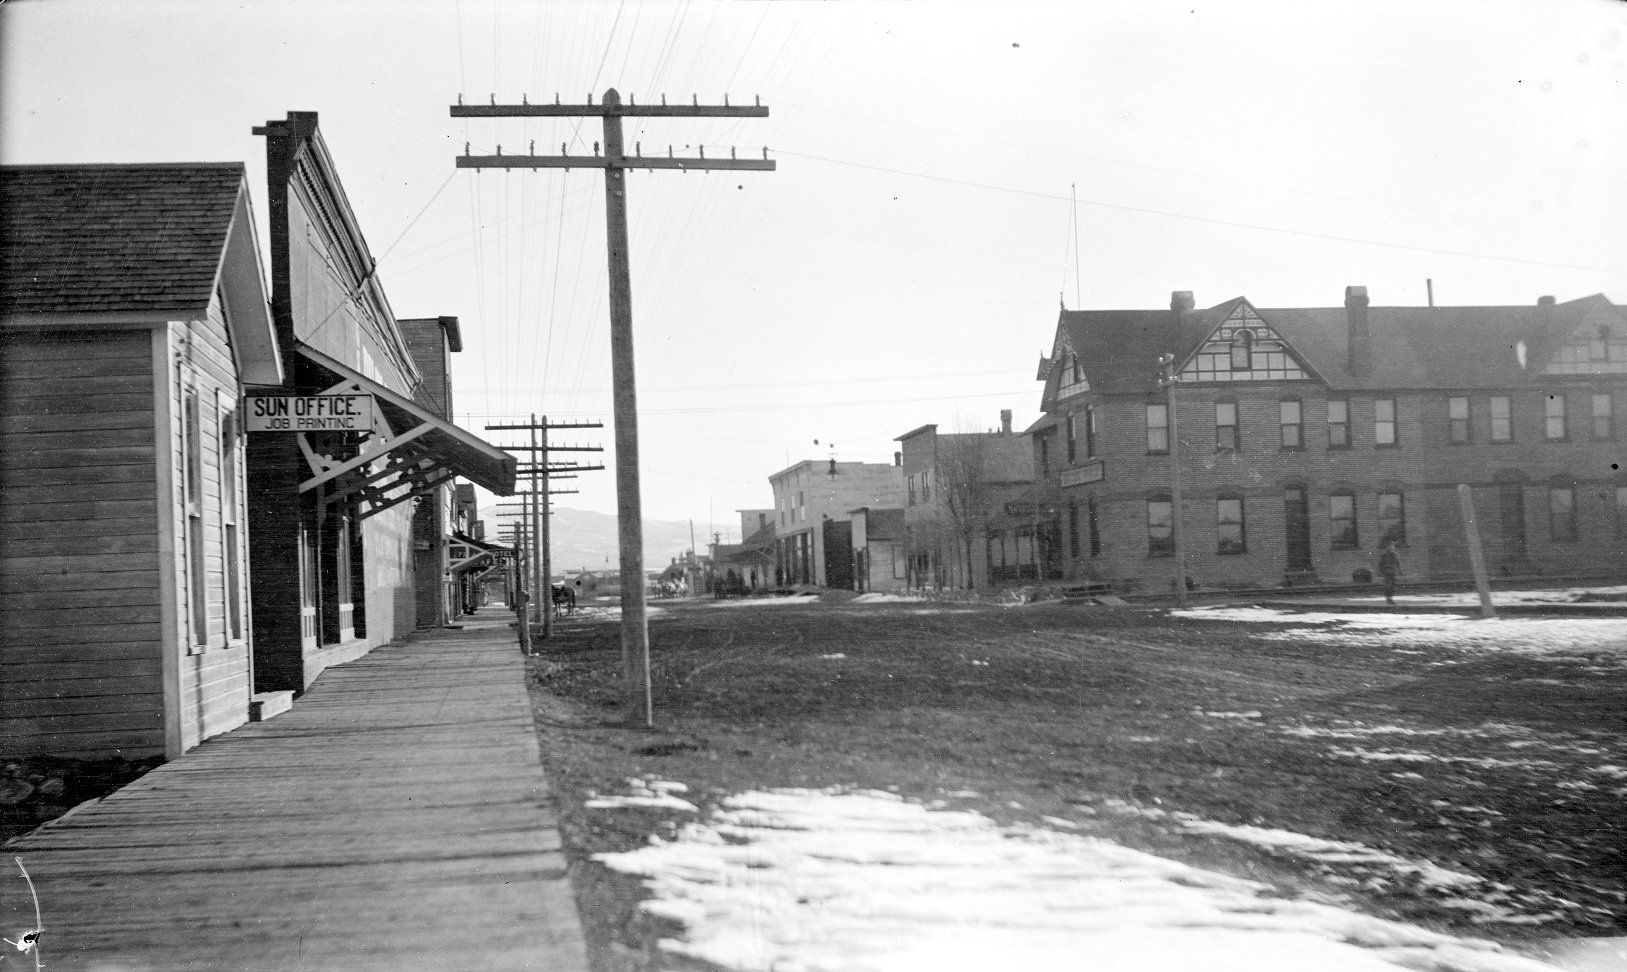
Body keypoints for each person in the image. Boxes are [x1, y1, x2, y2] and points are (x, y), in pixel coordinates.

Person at [1377, 539, 1401, 605]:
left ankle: (1390, 598)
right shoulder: (1384, 555)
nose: (1391, 548)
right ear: (1387, 547)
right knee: (1388, 586)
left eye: (1392, 546)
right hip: (1387, 572)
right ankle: (1389, 599)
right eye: (1389, 546)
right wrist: (1382, 571)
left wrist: (1399, 571)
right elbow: (1380, 564)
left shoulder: (1395, 555)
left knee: (1393, 586)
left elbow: (1398, 563)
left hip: (1393, 572)